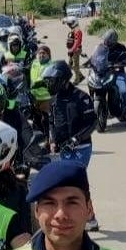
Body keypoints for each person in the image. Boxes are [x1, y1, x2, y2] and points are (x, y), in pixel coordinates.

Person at [40, 60, 99, 231]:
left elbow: (92, 123)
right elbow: (51, 122)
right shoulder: (54, 100)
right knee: (66, 185)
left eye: (51, 81)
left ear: (62, 79)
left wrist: (76, 140)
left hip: (81, 148)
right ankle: (81, 217)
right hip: (61, 149)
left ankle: (88, 218)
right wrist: (51, 140)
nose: (49, 84)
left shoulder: (82, 98)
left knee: (74, 182)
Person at [93, 29, 126, 128]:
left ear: (113, 41)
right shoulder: (100, 47)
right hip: (104, 73)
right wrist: (90, 63)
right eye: (105, 40)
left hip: (118, 73)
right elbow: (94, 58)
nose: (106, 42)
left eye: (108, 41)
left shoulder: (121, 48)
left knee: (123, 91)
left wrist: (120, 63)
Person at [64, 17, 84, 84]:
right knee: (71, 65)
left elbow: (77, 42)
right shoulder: (73, 29)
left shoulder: (78, 31)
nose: (68, 25)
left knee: (75, 65)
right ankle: (80, 76)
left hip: (76, 50)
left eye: (70, 24)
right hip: (72, 49)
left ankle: (77, 80)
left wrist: (72, 49)